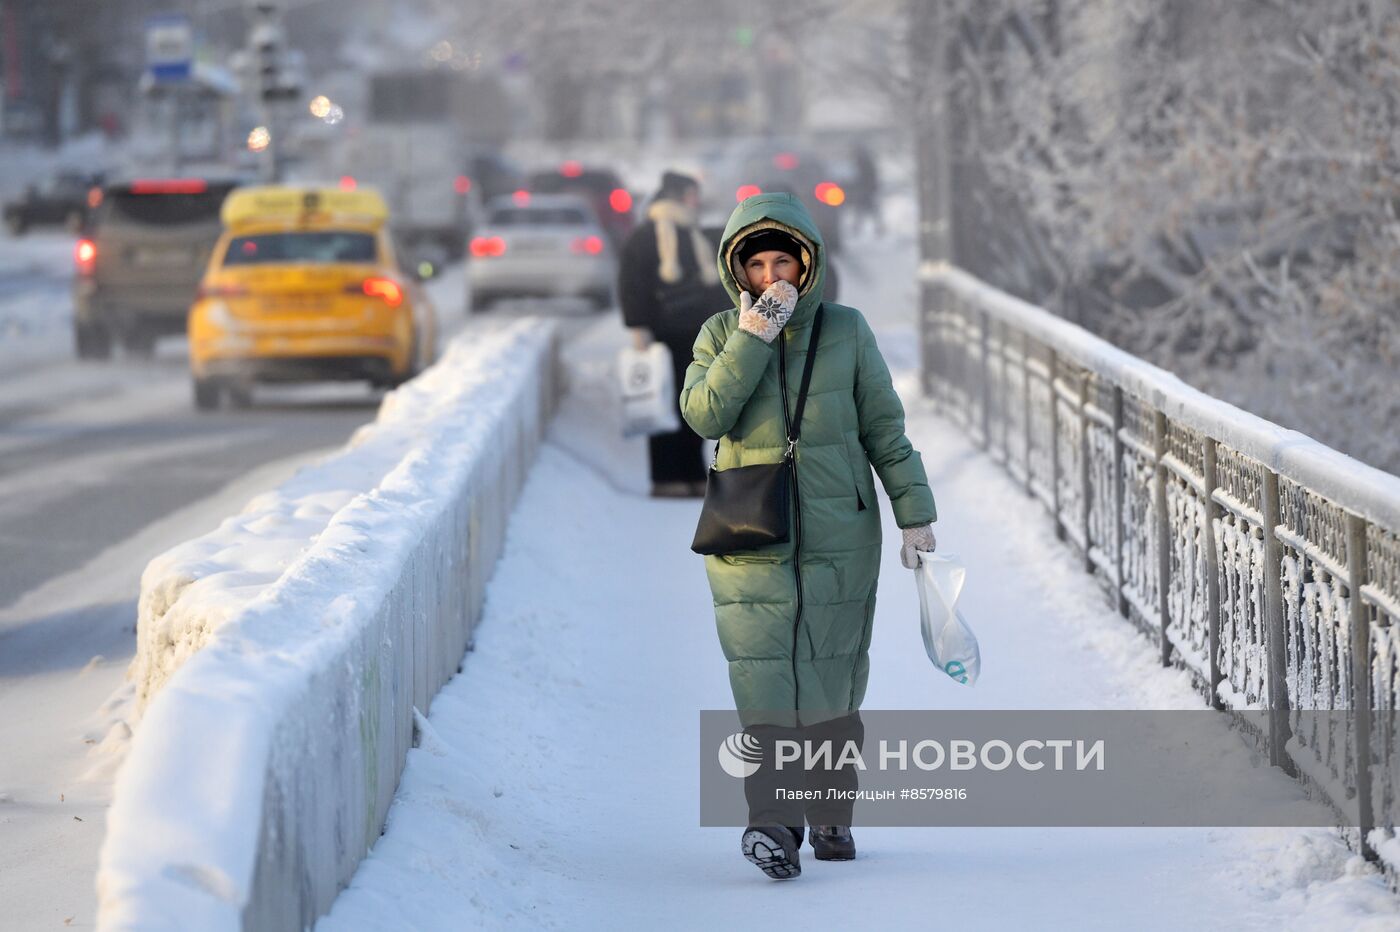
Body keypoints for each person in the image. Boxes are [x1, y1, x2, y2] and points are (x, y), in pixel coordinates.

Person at [680, 192, 937, 880]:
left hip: (839, 533)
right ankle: (773, 824)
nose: (772, 280)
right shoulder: (716, 334)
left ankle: (829, 811)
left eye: (782, 264)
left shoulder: (847, 331)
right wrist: (752, 338)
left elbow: (885, 428)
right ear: (739, 273)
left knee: (830, 681)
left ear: (806, 265)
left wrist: (914, 512)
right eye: (757, 266)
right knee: (763, 683)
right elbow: (705, 414)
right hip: (750, 534)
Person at [617, 171, 726, 497]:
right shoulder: (649, 235)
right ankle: (666, 478)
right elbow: (632, 284)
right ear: (679, 195)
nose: (697, 199)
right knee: (662, 404)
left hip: (697, 336)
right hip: (664, 336)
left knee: (693, 404)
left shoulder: (692, 232)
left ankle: (692, 474)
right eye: (693, 193)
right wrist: (638, 327)